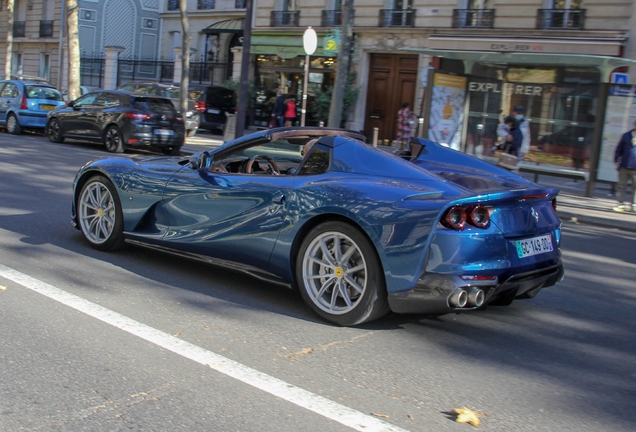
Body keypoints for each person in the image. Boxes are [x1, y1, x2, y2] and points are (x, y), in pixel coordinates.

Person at [612, 120, 636, 212]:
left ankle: (634, 205)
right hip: (624, 165)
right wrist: (616, 158)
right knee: (622, 186)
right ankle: (620, 204)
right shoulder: (626, 136)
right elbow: (619, 148)